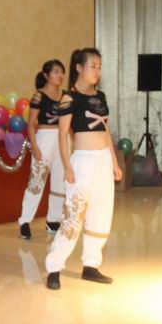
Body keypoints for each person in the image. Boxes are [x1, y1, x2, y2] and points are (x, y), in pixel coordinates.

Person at [45, 48, 122, 290]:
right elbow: (62, 134)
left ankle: (91, 265)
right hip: (83, 162)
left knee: (101, 211)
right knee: (73, 214)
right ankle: (54, 267)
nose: (97, 71)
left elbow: (105, 129)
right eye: (93, 66)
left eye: (99, 67)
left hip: (103, 160)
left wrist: (114, 161)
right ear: (79, 67)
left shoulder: (101, 96)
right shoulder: (69, 98)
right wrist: (67, 166)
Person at [18, 59, 66, 240]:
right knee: (37, 181)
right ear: (46, 75)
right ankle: (25, 221)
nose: (60, 75)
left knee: (60, 182)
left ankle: (53, 220)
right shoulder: (38, 96)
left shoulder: (65, 96)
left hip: (62, 140)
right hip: (45, 139)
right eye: (56, 72)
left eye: (62, 72)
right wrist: (35, 147)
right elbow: (31, 124)